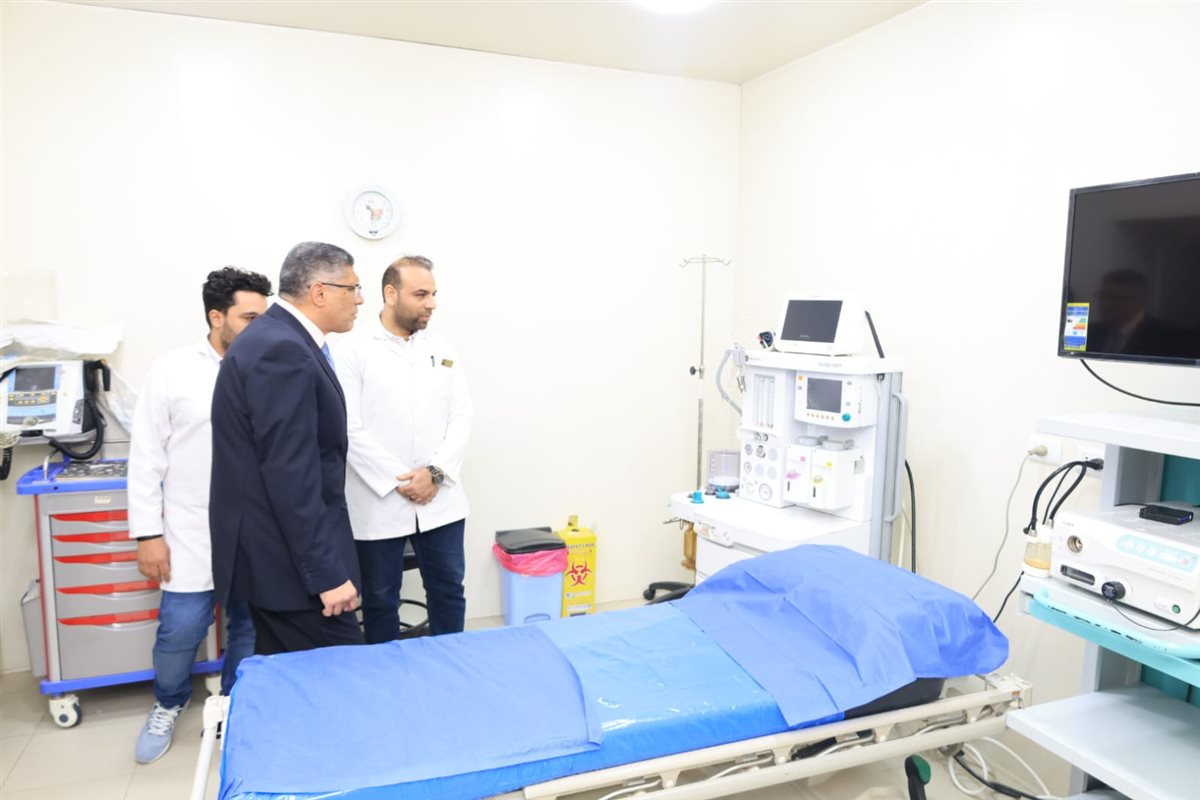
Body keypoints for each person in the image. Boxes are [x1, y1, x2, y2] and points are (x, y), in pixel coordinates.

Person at [128, 267, 270, 764]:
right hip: (189, 528)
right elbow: (146, 457)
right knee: (181, 628)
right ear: (216, 317)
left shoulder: (269, 367)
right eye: (249, 317)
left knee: (249, 626)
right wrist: (148, 534)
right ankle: (168, 703)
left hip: (254, 527)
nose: (260, 327)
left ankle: (234, 707)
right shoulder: (172, 370)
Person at [209, 242, 365, 655]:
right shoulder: (282, 350)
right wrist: (326, 575)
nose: (360, 299)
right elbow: (290, 475)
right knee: (342, 671)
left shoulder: (277, 339)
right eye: (353, 288)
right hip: (288, 568)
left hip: (273, 559)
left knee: (285, 677)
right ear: (319, 292)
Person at [335, 255, 474, 643]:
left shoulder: (443, 347)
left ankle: (451, 664)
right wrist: (402, 480)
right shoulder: (351, 349)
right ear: (391, 293)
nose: (432, 303)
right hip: (378, 499)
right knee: (380, 599)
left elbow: (462, 416)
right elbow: (347, 426)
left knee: (449, 591)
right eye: (421, 294)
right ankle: (386, 671)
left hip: (440, 497)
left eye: (433, 294)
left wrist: (434, 474)